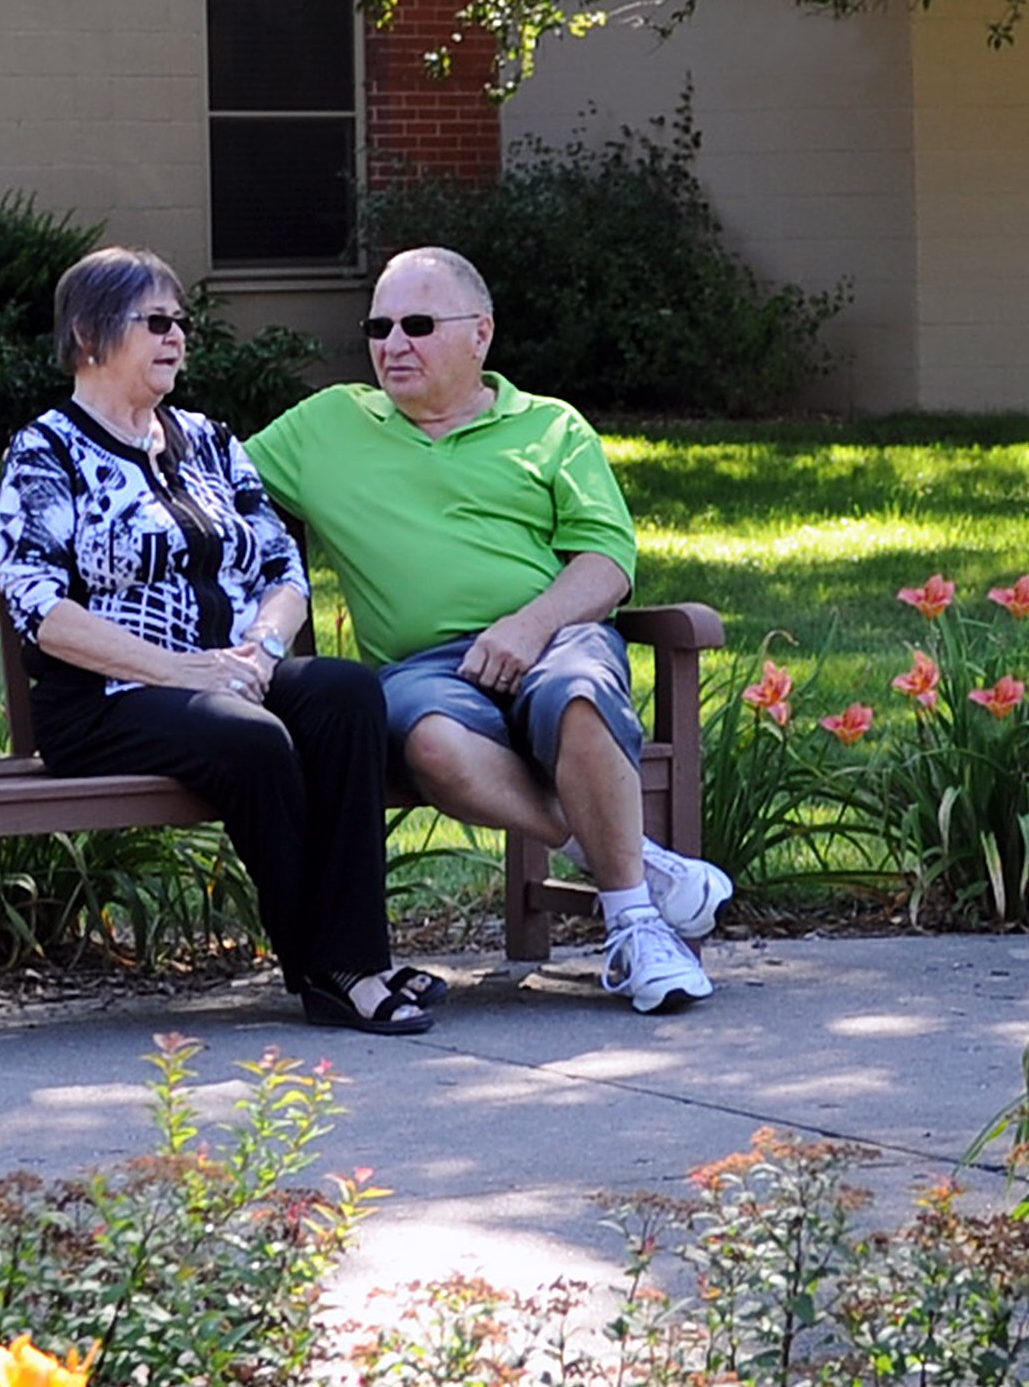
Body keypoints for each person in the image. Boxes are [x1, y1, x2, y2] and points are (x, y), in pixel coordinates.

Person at [246, 245, 733, 1014]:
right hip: (419, 670)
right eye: (379, 325)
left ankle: (633, 928)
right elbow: (208, 487)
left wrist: (527, 626)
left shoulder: (550, 428)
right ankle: (637, 871)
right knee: (430, 744)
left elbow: (607, 560)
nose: (393, 344)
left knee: (578, 696)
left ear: (481, 334)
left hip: (553, 636)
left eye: (418, 324)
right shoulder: (325, 427)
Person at [0, 245, 439, 1033]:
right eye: (156, 321)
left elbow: (282, 567)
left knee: (343, 694)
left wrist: (262, 651)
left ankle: (351, 960)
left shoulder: (207, 440)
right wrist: (181, 670)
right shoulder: (48, 451)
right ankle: (341, 970)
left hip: (229, 675)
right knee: (253, 740)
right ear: (91, 336)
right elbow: (38, 606)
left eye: (182, 323)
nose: (177, 337)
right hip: (106, 698)